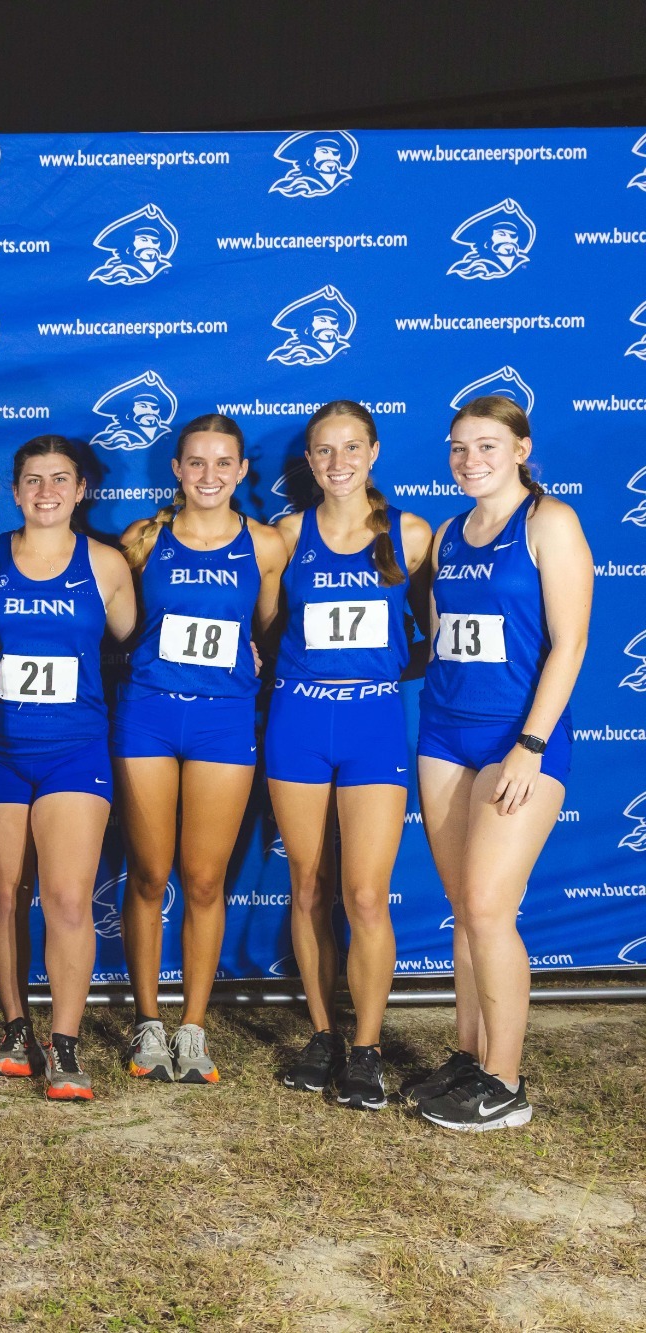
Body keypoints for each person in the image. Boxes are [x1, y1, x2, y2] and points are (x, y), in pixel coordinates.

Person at [408, 395, 591, 1131]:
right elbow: (444, 635)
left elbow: (570, 642)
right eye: (458, 447)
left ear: (520, 448)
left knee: (489, 906)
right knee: (465, 910)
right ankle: (469, 1054)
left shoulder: (550, 522)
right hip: (444, 732)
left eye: (486, 446)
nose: (469, 459)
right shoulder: (451, 531)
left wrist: (532, 743)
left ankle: (506, 1082)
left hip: (518, 739)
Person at [268, 403, 433, 1110]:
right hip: (298, 720)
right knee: (308, 884)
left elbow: (435, 632)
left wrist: (383, 670)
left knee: (364, 894)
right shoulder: (286, 534)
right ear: (309, 459)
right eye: (323, 451)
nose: (337, 463)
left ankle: (365, 1049)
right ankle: (322, 1033)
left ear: (373, 451)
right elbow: (263, 628)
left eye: (350, 448)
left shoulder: (413, 534)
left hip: (370, 721)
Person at [115, 414, 284, 1084]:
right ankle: (148, 1021)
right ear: (177, 469)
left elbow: (268, 625)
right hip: (148, 717)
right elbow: (117, 622)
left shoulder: (267, 545)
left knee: (206, 878)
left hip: (222, 720)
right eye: (196, 462)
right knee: (151, 875)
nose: (209, 476)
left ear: (242, 471)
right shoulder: (143, 539)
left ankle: (193, 1026)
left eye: (224, 463)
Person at [0, 437, 138, 1100]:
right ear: (14, 491)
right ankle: (16, 1028)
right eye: (33, 480)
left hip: (74, 749)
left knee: (69, 896)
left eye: (60, 479)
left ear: (80, 490)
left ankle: (64, 1041)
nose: (46, 491)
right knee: (4, 890)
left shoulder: (105, 564)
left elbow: (134, 641)